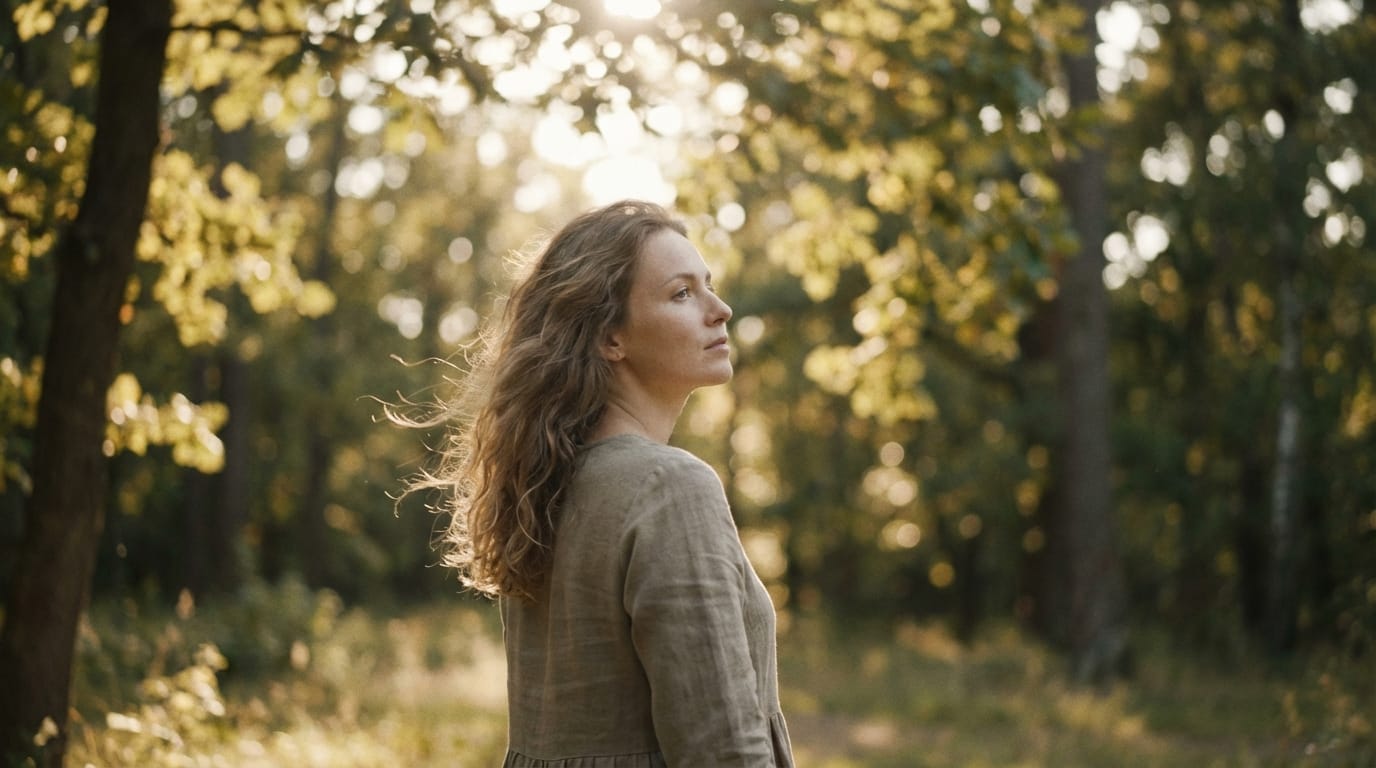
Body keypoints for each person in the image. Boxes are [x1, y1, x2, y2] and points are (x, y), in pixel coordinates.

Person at [424, 200, 794, 767]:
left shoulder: (544, 485)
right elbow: (722, 750)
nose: (720, 310)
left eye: (708, 287)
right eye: (682, 294)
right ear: (610, 338)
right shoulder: (670, 487)